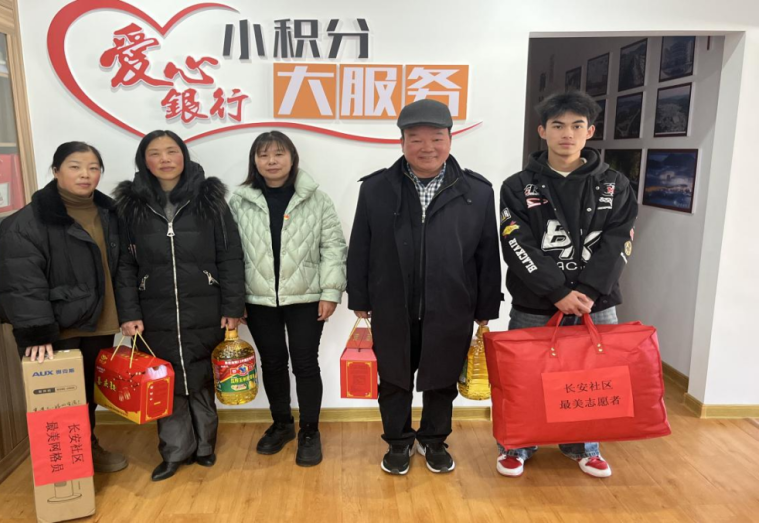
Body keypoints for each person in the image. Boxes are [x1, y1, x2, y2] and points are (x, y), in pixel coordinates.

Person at [347, 99, 502, 475]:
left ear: (450, 139)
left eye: (436, 137)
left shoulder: (477, 191)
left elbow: (487, 253)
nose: (427, 147)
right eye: (415, 138)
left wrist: (486, 308)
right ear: (401, 142)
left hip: (451, 305)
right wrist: (359, 296)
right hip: (391, 304)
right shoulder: (376, 188)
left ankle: (434, 440)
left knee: (441, 379)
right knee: (394, 379)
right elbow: (360, 246)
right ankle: (398, 442)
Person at [495, 91, 638, 479]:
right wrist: (557, 291)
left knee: (592, 377)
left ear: (589, 131)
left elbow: (619, 241)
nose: (567, 134)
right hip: (535, 302)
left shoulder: (615, 184)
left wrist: (588, 291)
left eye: (577, 126)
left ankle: (585, 446)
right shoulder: (517, 185)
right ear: (542, 131)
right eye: (557, 126)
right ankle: (517, 445)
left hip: (597, 302)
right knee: (525, 376)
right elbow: (516, 242)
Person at [114, 130, 245, 481]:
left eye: (171, 151)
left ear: (183, 156)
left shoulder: (210, 199)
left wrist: (233, 306)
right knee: (165, 379)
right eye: (155, 153)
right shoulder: (130, 205)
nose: (165, 159)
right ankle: (174, 452)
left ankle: (205, 447)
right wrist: (129, 313)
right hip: (153, 308)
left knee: (200, 376)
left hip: (205, 304)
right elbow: (124, 264)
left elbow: (230, 255)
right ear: (144, 161)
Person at [0, 141, 128, 474]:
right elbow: (22, 281)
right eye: (75, 166)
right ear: (56, 171)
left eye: (93, 168)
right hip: (58, 326)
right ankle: (67, 469)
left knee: (88, 393)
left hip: (99, 321)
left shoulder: (111, 214)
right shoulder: (27, 222)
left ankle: (87, 447)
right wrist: (37, 332)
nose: (85, 174)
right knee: (59, 400)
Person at [229, 131, 347, 467]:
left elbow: (333, 247)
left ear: (292, 158)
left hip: (306, 297)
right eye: (263, 155)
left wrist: (330, 292)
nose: (272, 161)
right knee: (273, 363)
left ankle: (310, 430)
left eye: (279, 154)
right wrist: (235, 300)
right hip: (258, 298)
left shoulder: (317, 200)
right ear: (254, 161)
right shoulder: (240, 201)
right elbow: (230, 253)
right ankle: (282, 424)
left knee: (305, 363)